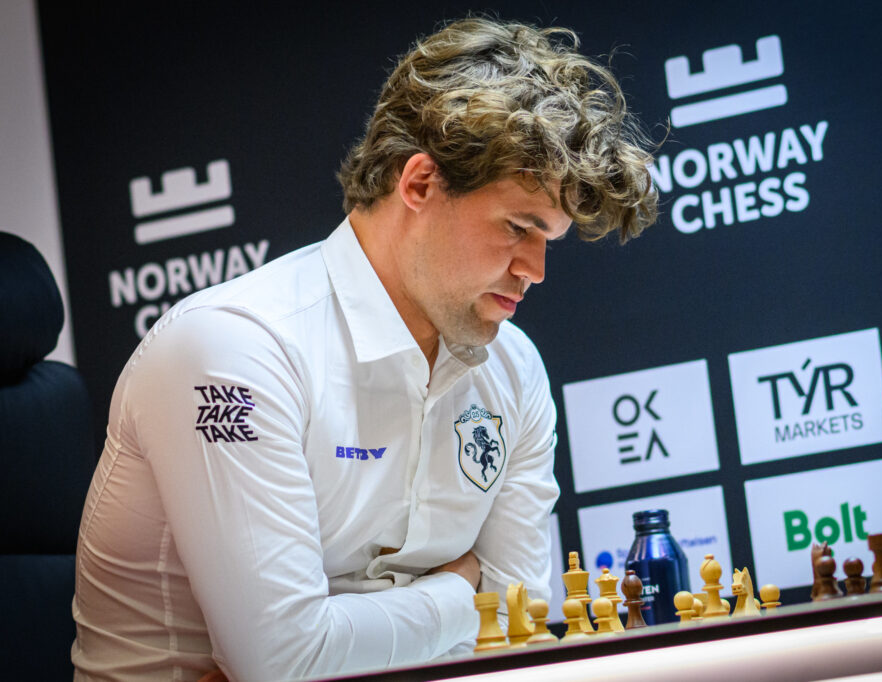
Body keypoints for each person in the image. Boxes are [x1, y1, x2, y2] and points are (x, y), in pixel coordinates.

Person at [71, 16, 657, 681]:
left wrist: (346, 627)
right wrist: (462, 587)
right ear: (419, 183)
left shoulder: (515, 369)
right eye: (518, 227)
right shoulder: (235, 349)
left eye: (547, 238)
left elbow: (517, 625)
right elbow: (286, 664)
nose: (535, 270)